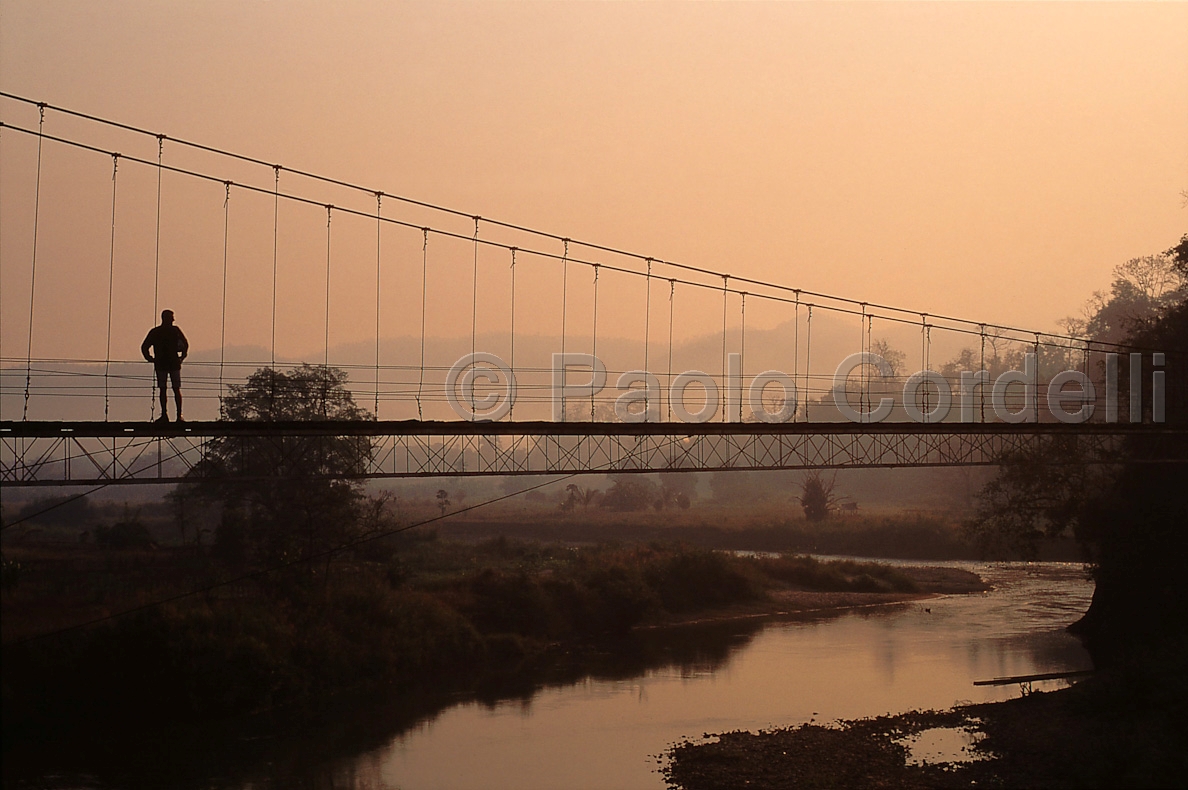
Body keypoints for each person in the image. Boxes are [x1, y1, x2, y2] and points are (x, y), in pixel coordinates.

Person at [141, 309, 189, 423]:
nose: (173, 319)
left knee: (163, 389)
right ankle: (179, 415)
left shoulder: (155, 331)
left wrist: (150, 358)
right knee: (176, 389)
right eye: (172, 317)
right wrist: (182, 357)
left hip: (161, 363)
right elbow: (185, 344)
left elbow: (144, 346)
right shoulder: (175, 330)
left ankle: (164, 415)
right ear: (167, 318)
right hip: (174, 363)